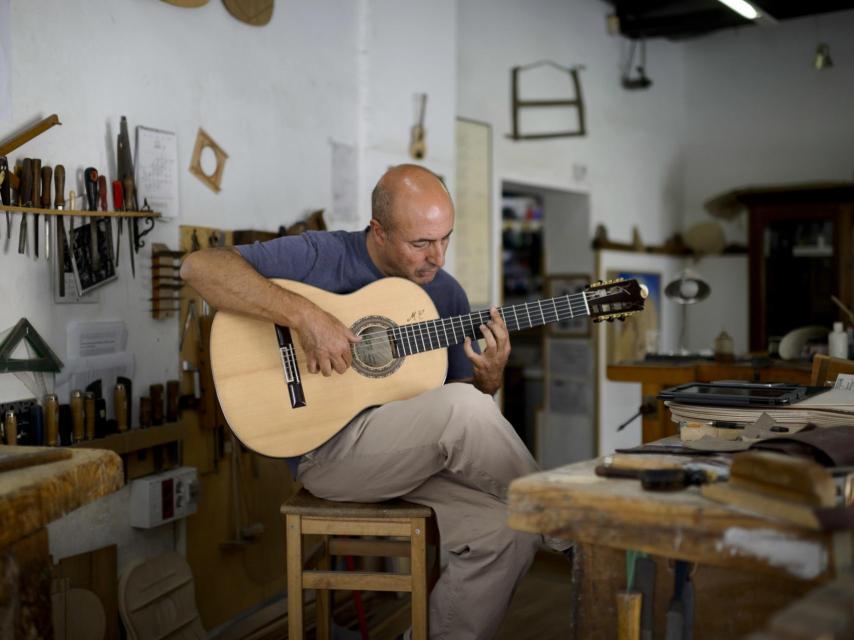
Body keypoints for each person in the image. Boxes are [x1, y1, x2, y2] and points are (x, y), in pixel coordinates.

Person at [181, 164, 547, 640]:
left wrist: (491, 379)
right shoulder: (321, 254)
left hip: (411, 459)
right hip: (327, 456)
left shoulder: (445, 293)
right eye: (421, 243)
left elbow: (462, 410)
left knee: (505, 529)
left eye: (445, 239)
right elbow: (199, 267)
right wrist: (306, 316)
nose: (436, 257)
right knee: (468, 417)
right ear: (378, 230)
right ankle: (565, 521)